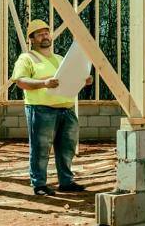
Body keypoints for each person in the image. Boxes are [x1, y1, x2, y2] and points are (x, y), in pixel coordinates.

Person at [12, 19, 92, 196]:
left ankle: (66, 182)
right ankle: (39, 184)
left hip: (66, 109)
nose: (44, 36)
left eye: (46, 32)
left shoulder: (60, 59)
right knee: (41, 148)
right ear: (31, 39)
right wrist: (44, 83)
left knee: (67, 148)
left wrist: (84, 80)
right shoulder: (27, 58)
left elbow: (72, 76)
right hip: (41, 109)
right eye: (39, 34)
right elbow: (20, 81)